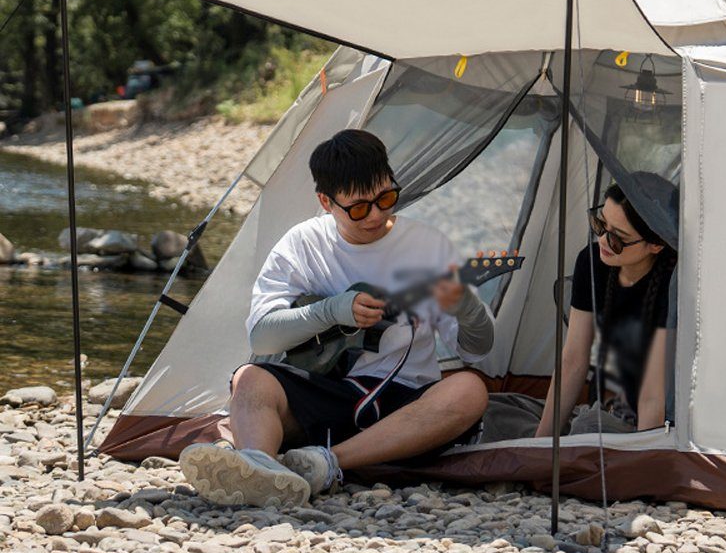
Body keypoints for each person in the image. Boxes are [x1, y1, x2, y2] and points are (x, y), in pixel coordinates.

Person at [179, 129, 494, 507]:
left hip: (403, 404)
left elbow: (478, 350)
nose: (376, 215)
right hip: (324, 392)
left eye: (386, 198)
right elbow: (262, 339)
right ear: (326, 202)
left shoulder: (426, 245)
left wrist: (467, 308)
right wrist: (332, 310)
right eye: (359, 208)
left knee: (470, 389)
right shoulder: (303, 243)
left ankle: (325, 464)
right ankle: (259, 467)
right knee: (249, 378)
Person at [535, 176, 677, 437]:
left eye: (617, 238)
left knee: (586, 428)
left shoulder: (672, 284)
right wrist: (539, 445)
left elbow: (652, 397)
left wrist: (642, 463)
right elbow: (573, 359)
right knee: (498, 414)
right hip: (609, 408)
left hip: (661, 420)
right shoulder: (591, 262)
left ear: (656, 244)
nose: (602, 240)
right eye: (600, 224)